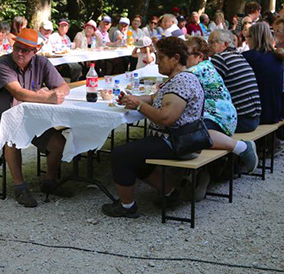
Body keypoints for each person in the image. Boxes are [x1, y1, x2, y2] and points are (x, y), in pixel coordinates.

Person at [102, 37, 257, 218]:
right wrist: (132, 99)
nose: (157, 62)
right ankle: (170, 193)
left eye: (160, 58)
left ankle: (127, 207)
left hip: (178, 142)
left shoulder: (182, 82)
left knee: (121, 155)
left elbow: (166, 118)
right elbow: (155, 99)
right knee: (135, 154)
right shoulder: (178, 78)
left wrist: (138, 106)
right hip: (176, 139)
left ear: (175, 58)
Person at [0, 28, 70, 208]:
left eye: (25, 50)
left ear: (35, 51)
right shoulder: (2, 63)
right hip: (0, 120)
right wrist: (47, 97)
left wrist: (55, 92)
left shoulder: (42, 63)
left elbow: (64, 86)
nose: (19, 53)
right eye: (16, 48)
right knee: (12, 137)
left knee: (58, 142)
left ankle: (49, 182)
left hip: (31, 120)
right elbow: (18, 93)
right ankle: (20, 188)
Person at [185, 37, 259, 169]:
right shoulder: (207, 65)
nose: (183, 58)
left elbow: (179, 82)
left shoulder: (198, 70)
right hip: (225, 114)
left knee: (195, 134)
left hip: (221, 117)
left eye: (187, 54)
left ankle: (242, 147)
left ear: (199, 56)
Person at [207, 29, 261, 132]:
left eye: (212, 42)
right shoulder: (238, 56)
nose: (208, 46)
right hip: (254, 118)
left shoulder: (220, 58)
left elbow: (205, 86)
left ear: (225, 44)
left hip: (241, 120)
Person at [242, 22, 284, 125]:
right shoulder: (276, 56)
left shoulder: (248, 57)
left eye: (247, 37)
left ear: (253, 38)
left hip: (259, 113)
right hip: (276, 110)